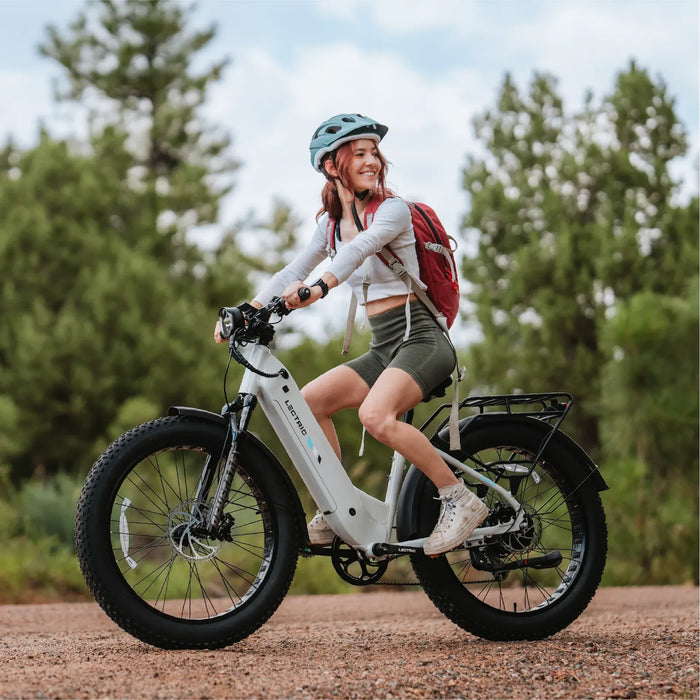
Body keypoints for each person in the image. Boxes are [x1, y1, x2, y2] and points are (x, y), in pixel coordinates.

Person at [215, 113, 487, 555]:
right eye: (359, 153)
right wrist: (248, 310)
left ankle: (458, 499)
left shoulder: (393, 210)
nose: (372, 161)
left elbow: (360, 250)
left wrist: (320, 287)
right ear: (331, 165)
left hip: (422, 340)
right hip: (384, 348)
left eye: (374, 152)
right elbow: (292, 269)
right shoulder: (331, 223)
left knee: (375, 417)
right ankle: (335, 506)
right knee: (309, 404)